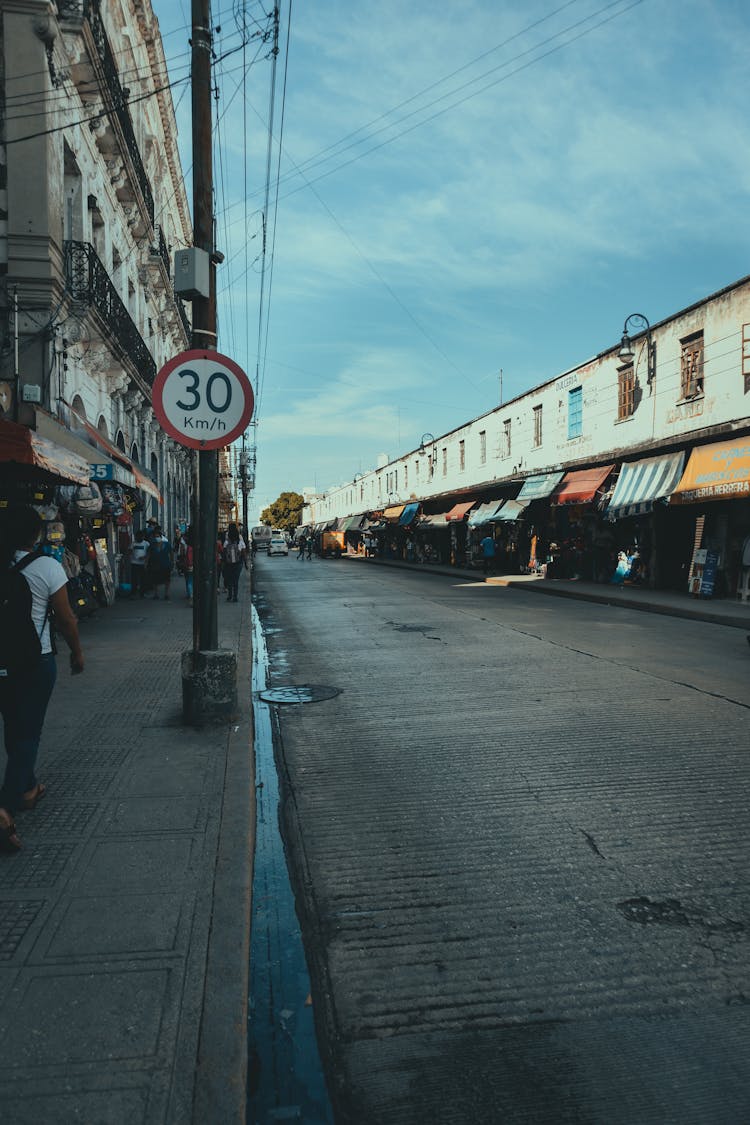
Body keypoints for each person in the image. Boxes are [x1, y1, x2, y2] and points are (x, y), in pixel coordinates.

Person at [0, 506, 84, 853]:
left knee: (13, 727)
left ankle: (29, 785)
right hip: (35, 661)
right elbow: (66, 618)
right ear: (37, 534)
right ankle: (7, 807)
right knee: (29, 733)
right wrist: (77, 654)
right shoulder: (47, 566)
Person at [222, 522, 246, 603]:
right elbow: (243, 552)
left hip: (228, 563)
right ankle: (235, 597)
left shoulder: (227, 541)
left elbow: (224, 552)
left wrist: (224, 561)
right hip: (238, 563)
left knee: (229, 580)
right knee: (236, 580)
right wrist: (245, 563)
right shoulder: (240, 540)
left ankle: (229, 596)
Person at [147, 525, 173, 599]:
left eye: (157, 536)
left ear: (160, 536)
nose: (156, 538)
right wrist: (146, 563)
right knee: (155, 580)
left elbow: (171, 553)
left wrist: (172, 562)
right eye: (155, 536)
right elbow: (148, 554)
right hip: (155, 565)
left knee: (167, 580)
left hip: (165, 564)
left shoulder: (166, 544)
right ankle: (156, 594)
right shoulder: (152, 545)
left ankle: (166, 594)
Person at [129, 530, 149, 598]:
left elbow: (149, 553)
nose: (139, 538)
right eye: (137, 537)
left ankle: (142, 593)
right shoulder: (133, 544)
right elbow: (130, 551)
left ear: (143, 537)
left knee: (143, 579)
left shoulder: (146, 544)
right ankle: (133, 593)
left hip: (142, 564)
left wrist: (144, 558)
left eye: (140, 537)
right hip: (134, 563)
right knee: (134, 579)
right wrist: (131, 554)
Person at [177, 525, 194, 604]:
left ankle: (190, 595)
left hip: (187, 562)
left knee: (189, 580)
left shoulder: (184, 539)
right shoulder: (200, 537)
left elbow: (181, 552)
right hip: (197, 563)